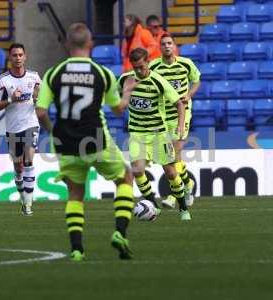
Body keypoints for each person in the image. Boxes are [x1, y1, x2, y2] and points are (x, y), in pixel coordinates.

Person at [36, 23, 134, 261]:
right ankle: (120, 232)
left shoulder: (53, 73)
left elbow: (40, 112)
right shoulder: (102, 73)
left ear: (67, 45)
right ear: (91, 44)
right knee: (126, 177)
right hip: (95, 139)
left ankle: (77, 249)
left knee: (75, 194)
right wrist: (129, 90)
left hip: (65, 142)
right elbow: (119, 109)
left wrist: (53, 132)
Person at [118, 47, 191, 221]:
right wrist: (125, 94)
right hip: (137, 133)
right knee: (137, 170)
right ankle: (153, 205)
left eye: (142, 67)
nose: (139, 71)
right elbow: (114, 100)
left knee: (171, 173)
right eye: (135, 67)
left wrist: (180, 125)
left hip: (159, 134)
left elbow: (179, 104)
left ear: (148, 63)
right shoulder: (125, 80)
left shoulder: (159, 81)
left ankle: (183, 208)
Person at [149, 33, 201, 208]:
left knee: (172, 154)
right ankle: (188, 184)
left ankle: (174, 194)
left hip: (182, 114)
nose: (167, 46)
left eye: (169, 43)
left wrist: (189, 94)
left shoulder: (186, 64)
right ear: (160, 47)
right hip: (164, 117)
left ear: (174, 46)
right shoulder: (154, 66)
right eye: (163, 44)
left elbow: (196, 81)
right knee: (175, 157)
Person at [0, 43, 41, 216]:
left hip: (31, 124)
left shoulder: (34, 77)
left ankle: (28, 204)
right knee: (18, 168)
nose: (18, 58)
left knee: (28, 161)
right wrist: (11, 100)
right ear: (9, 58)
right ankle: (23, 197)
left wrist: (37, 98)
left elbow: (40, 98)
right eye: (14, 55)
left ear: (25, 57)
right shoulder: (2, 80)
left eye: (20, 55)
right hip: (12, 128)